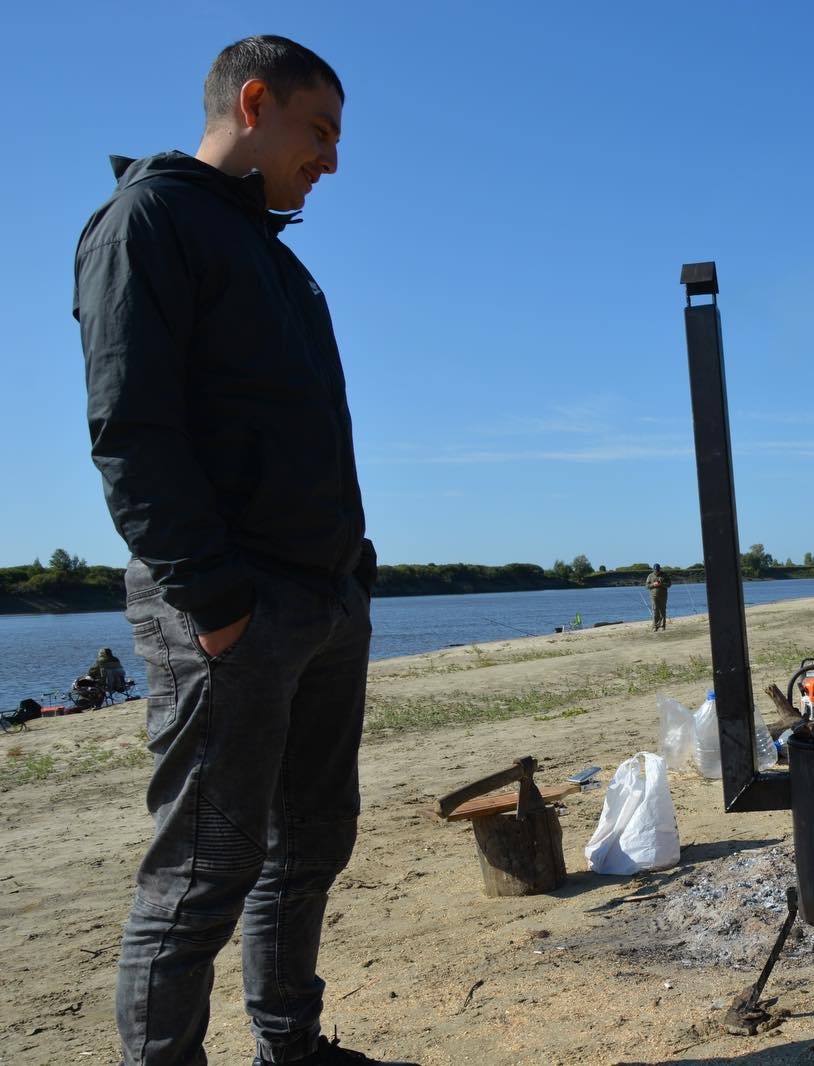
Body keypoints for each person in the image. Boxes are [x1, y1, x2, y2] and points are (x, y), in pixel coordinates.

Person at [75, 35, 413, 1066]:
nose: (333, 161)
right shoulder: (149, 222)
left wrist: (350, 582)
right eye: (320, 132)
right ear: (253, 102)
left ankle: (292, 1049)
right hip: (229, 612)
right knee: (201, 873)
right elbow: (132, 433)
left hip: (320, 600)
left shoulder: (271, 254)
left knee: (307, 846)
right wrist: (218, 603)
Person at [645, 563, 672, 631]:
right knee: (655, 610)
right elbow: (646, 586)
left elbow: (669, 584)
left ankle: (663, 626)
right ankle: (655, 626)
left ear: (660, 569)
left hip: (663, 596)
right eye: (655, 570)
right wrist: (653, 584)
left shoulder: (664, 575)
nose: (656, 571)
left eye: (657, 570)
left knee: (662, 610)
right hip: (653, 596)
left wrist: (661, 584)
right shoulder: (650, 576)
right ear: (653, 569)